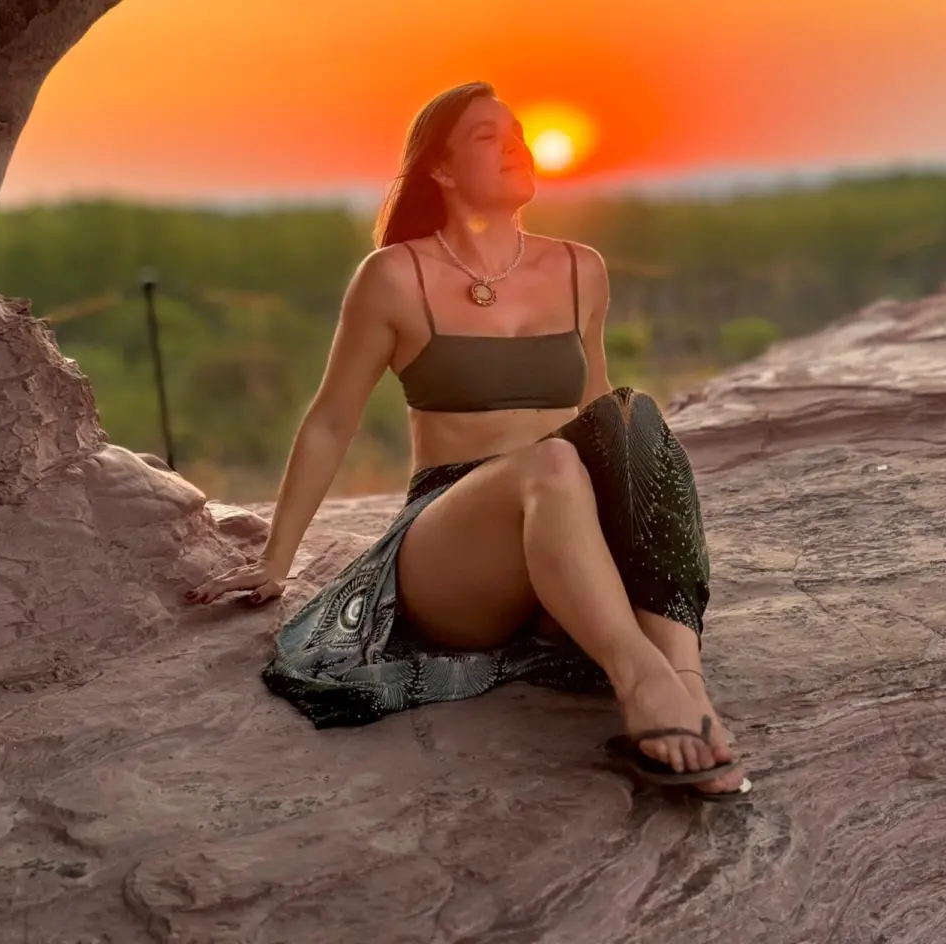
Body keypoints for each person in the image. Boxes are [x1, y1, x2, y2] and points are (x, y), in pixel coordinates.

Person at [184, 80, 750, 797]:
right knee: (548, 464)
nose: (515, 143)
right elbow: (331, 420)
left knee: (630, 416)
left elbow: (598, 420)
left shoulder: (581, 269)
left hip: (561, 530)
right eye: (488, 136)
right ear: (441, 171)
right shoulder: (394, 277)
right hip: (451, 552)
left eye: (518, 131)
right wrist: (275, 559)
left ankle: (685, 690)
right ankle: (643, 684)